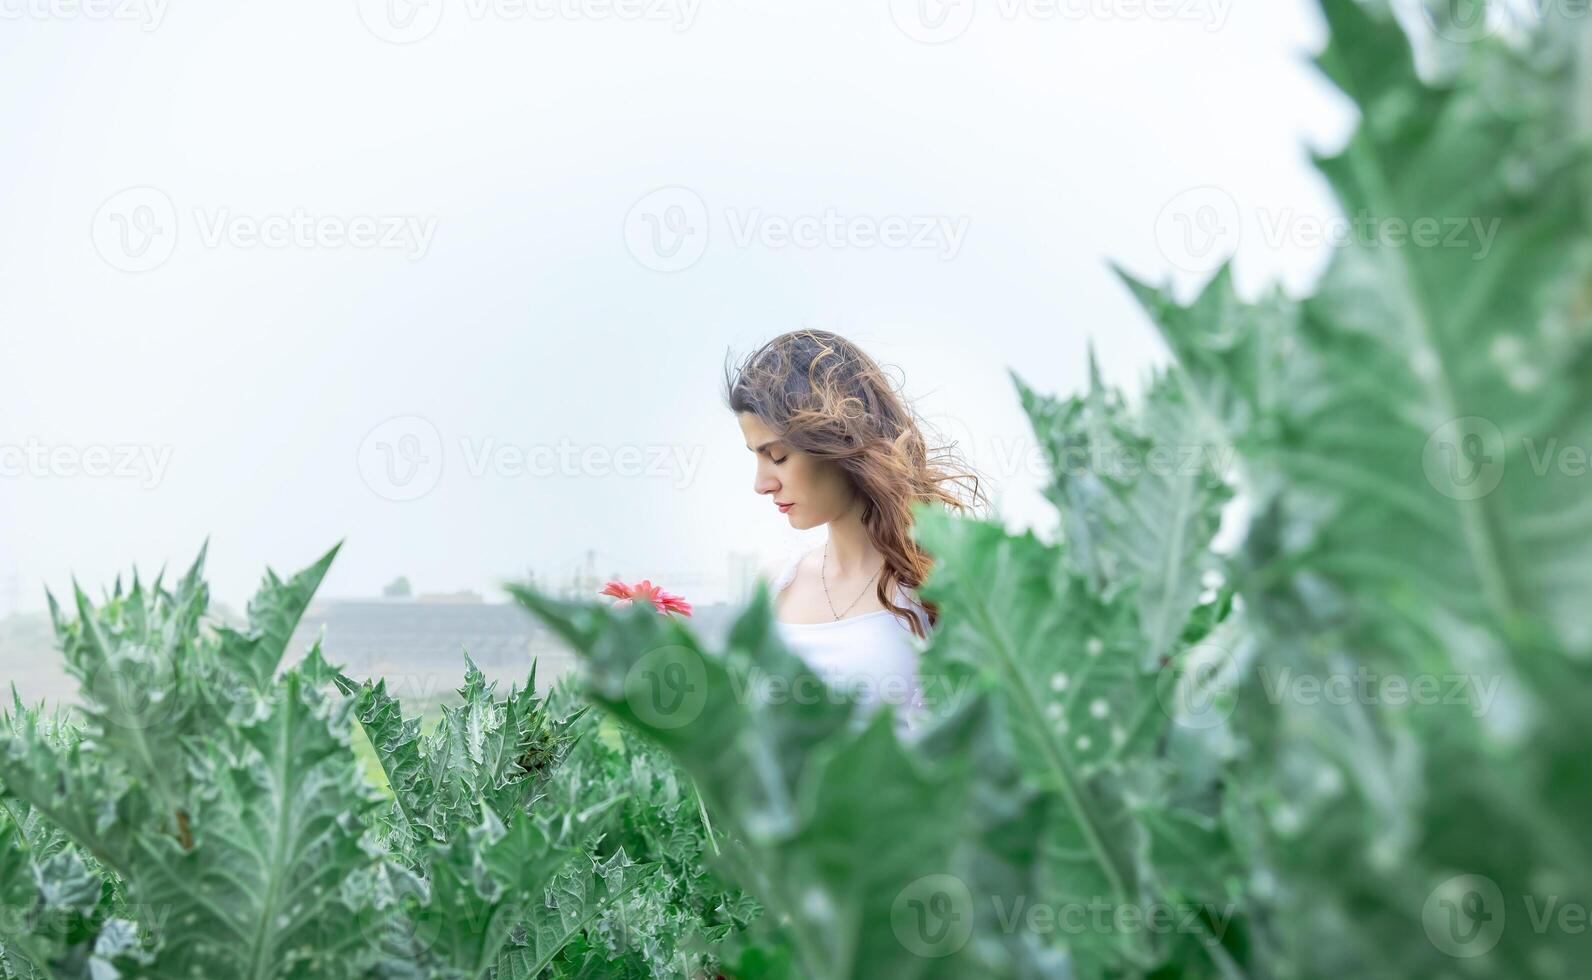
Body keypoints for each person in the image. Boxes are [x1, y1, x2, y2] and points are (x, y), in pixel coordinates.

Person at [722, 329, 987, 732]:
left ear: (839, 441)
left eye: (776, 456)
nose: (762, 484)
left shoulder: (944, 581)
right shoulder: (775, 586)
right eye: (756, 458)